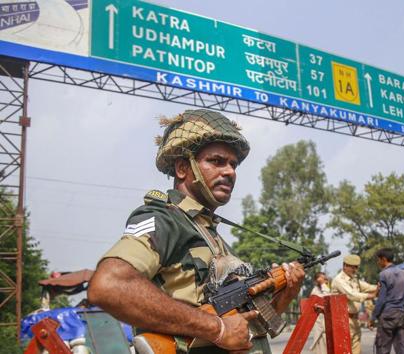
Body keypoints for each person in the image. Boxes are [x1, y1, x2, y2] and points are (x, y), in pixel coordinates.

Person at [87, 109, 305, 354]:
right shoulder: (166, 220)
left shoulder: (210, 234)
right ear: (182, 168)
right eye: (216, 161)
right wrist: (217, 329)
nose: (230, 171)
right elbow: (109, 284)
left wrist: (285, 294)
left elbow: (244, 327)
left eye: (233, 164)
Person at [371, 248, 404, 354]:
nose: (378, 262)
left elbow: (381, 300)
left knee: (383, 348)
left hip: (387, 317)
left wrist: (373, 317)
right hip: (401, 316)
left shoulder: (384, 274)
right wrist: (402, 304)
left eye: (378, 260)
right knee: (403, 349)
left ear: (384, 259)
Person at [330, 254, 377, 354]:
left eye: (356, 267)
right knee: (344, 349)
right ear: (345, 266)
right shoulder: (339, 280)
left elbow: (368, 287)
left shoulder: (354, 279)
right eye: (352, 267)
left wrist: (380, 286)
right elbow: (352, 295)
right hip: (343, 319)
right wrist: (371, 296)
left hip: (354, 319)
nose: (355, 270)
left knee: (356, 349)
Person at [309, 272, 330, 354]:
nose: (324, 281)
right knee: (321, 348)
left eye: (324, 279)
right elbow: (326, 299)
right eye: (322, 279)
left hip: (327, 325)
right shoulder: (315, 291)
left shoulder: (326, 288)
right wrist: (323, 284)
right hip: (320, 326)